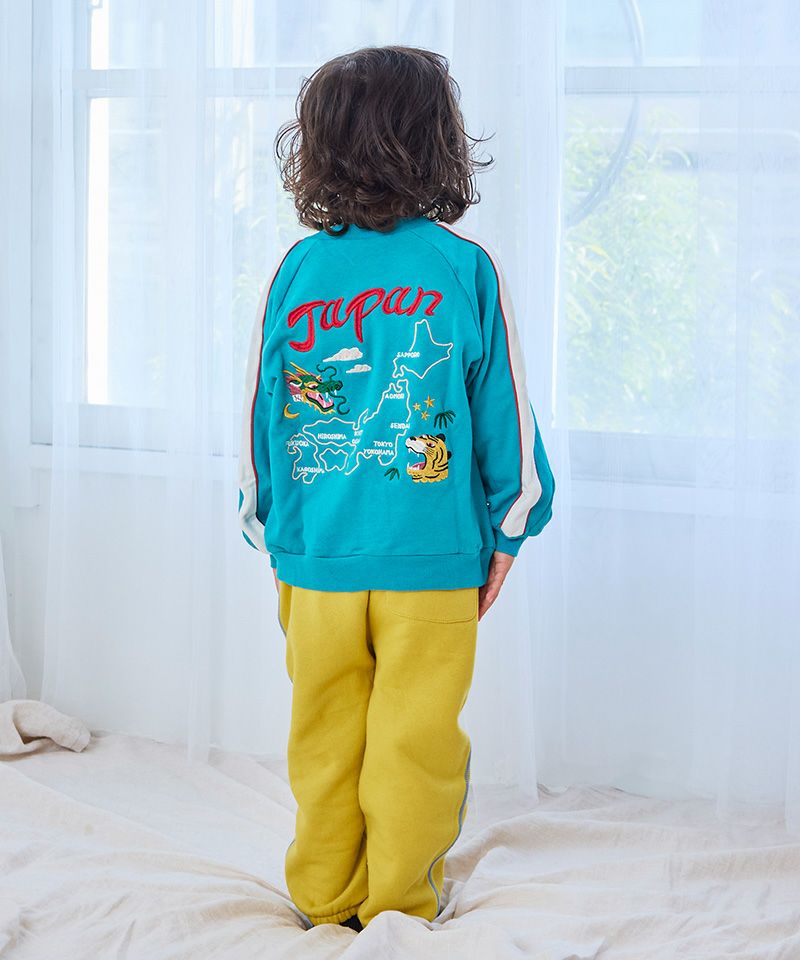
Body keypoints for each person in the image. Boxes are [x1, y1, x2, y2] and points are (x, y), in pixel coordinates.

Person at [237, 44, 555, 933]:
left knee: (324, 733)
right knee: (416, 739)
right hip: (432, 560)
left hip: (316, 557)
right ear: (438, 143)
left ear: (318, 149)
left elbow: (263, 415)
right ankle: (400, 905)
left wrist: (270, 532)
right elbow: (506, 420)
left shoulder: (298, 270)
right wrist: (510, 530)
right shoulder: (463, 268)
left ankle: (325, 897)